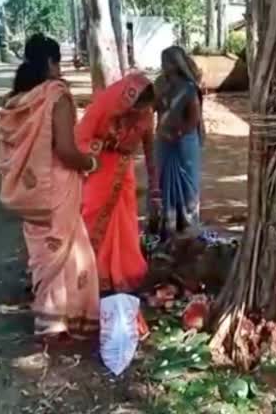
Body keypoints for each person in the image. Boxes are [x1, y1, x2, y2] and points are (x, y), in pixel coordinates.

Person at [0, 34, 100, 340]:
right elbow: (66, 150)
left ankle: (49, 319)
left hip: (29, 191)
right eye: (59, 62)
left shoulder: (16, 99)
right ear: (53, 62)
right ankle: (68, 321)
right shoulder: (56, 95)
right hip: (56, 188)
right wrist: (91, 163)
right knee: (72, 253)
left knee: (45, 254)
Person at [76, 71, 158, 293]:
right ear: (127, 97)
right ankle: (89, 273)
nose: (140, 110)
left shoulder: (146, 115)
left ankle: (123, 274)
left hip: (124, 173)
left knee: (125, 224)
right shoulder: (105, 105)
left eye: (145, 105)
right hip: (100, 169)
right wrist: (103, 148)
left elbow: (150, 151)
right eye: (137, 104)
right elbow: (79, 138)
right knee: (92, 214)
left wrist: (155, 188)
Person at [155, 46, 204, 239]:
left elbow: (194, 118)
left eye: (166, 61)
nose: (163, 65)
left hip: (184, 140)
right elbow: (153, 107)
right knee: (163, 179)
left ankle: (189, 223)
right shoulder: (159, 83)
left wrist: (178, 133)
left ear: (175, 64)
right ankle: (168, 222)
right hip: (163, 140)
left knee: (187, 179)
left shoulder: (189, 88)